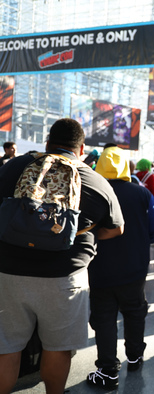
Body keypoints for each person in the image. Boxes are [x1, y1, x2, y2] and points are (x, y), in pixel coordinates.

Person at [0, 118, 124, 394]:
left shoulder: (15, 167)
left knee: (6, 347)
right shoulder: (93, 179)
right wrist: (79, 233)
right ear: (81, 149)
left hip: (9, 272)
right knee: (57, 348)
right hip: (64, 278)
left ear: (47, 143)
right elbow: (117, 228)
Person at [86, 147, 154, 389]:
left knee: (104, 317)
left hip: (100, 268)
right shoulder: (141, 194)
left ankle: (108, 370)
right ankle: (134, 356)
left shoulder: (92, 192)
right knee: (134, 311)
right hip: (134, 267)